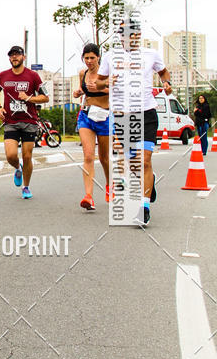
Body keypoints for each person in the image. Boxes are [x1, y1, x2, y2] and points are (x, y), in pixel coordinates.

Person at [98, 21, 172, 227]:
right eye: (122, 34)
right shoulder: (110, 56)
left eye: (130, 34)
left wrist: (167, 83)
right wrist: (107, 82)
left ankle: (144, 207)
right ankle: (150, 180)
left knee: (145, 161)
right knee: (134, 165)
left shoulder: (151, 54)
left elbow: (163, 72)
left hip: (146, 113)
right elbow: (99, 81)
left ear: (137, 35)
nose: (126, 38)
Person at [0, 45, 49, 199]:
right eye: (11, 55)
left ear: (24, 57)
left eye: (17, 55)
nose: (14, 57)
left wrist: (29, 98)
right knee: (11, 155)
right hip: (11, 121)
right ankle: (18, 167)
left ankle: (26, 187)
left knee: (27, 156)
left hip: (29, 121)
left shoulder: (33, 76)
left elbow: (45, 97)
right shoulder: (3, 76)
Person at [73, 43, 111, 210]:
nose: (89, 61)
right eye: (86, 58)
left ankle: (110, 185)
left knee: (104, 158)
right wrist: (79, 92)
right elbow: (84, 89)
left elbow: (118, 91)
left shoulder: (107, 72)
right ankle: (88, 196)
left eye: (92, 58)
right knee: (88, 156)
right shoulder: (83, 73)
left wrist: (102, 89)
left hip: (104, 117)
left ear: (98, 57)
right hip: (86, 116)